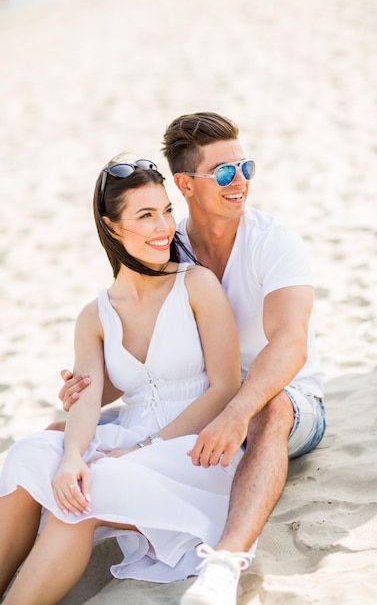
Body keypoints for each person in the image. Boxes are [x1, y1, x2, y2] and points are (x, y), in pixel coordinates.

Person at [59, 112, 326, 605]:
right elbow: (151, 354)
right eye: (224, 172)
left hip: (283, 401)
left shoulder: (273, 241)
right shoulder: (163, 243)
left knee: (272, 410)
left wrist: (236, 411)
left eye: (246, 167)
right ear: (185, 184)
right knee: (61, 433)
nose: (240, 181)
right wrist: (91, 387)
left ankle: (224, 565)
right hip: (202, 404)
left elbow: (290, 344)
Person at [0, 157, 254, 605]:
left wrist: (141, 448)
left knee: (79, 500)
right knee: (31, 455)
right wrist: (72, 457)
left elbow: (225, 387)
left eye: (166, 211)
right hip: (126, 440)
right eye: (145, 215)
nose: (164, 227)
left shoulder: (196, 285)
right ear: (111, 227)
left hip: (192, 451)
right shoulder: (93, 316)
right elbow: (86, 400)